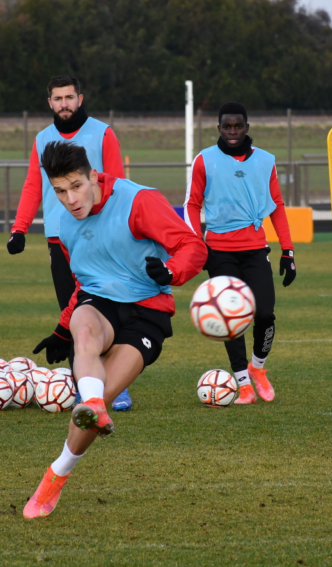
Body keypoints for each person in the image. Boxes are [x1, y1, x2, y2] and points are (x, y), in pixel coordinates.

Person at [24, 141, 206, 519]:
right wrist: (62, 330)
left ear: (94, 176)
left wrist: (172, 271)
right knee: (83, 331)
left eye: (76, 186)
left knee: (96, 405)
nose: (70, 199)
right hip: (99, 304)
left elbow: (192, 245)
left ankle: (56, 474)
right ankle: (88, 408)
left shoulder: (138, 201)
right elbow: (82, 281)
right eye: (59, 191)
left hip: (147, 312)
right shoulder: (61, 224)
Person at [6, 75, 134, 411]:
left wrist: (121, 227)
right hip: (59, 240)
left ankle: (116, 386)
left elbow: (118, 182)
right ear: (49, 103)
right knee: (75, 313)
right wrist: (19, 229)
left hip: (101, 235)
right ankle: (86, 387)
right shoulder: (42, 140)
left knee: (107, 309)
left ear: (80, 98)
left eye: (69, 97)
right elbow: (34, 186)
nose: (64, 104)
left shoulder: (102, 133)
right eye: (57, 98)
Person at [183, 102, 295, 404]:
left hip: (257, 250)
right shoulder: (204, 160)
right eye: (226, 126)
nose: (232, 132)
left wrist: (288, 250)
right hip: (219, 253)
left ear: (247, 127)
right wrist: (196, 244)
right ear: (218, 128)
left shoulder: (266, 161)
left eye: (238, 126)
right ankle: (242, 383)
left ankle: (258, 368)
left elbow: (278, 206)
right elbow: (191, 205)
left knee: (265, 313)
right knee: (229, 318)